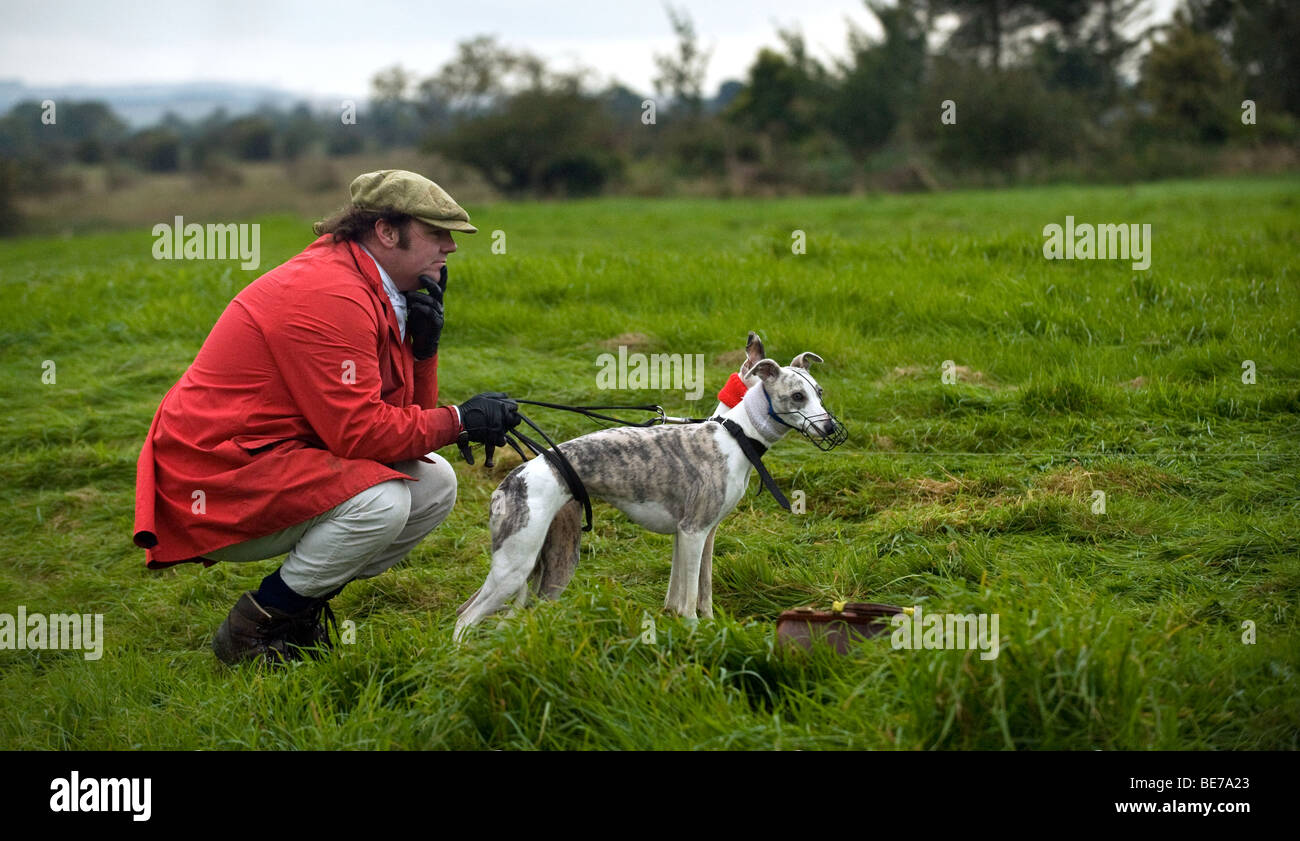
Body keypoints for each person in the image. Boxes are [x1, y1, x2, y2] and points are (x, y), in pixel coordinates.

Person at [132, 169, 521, 666]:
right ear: (386, 231)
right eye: (435, 232)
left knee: (433, 483)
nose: (450, 246)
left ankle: (295, 613)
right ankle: (253, 630)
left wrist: (423, 354)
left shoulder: (371, 282)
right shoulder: (329, 293)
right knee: (382, 502)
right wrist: (460, 421)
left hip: (271, 456)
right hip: (214, 474)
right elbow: (360, 434)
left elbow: (403, 426)